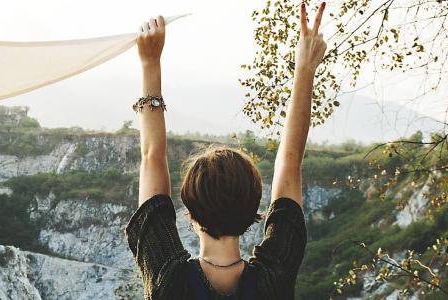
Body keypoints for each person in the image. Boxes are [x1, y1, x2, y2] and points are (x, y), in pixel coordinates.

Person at [124, 3, 327, 299]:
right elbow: (291, 160)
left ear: (190, 214)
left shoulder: (168, 279)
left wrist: (149, 62)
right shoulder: (273, 281)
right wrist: (306, 68)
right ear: (253, 210)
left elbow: (151, 155)